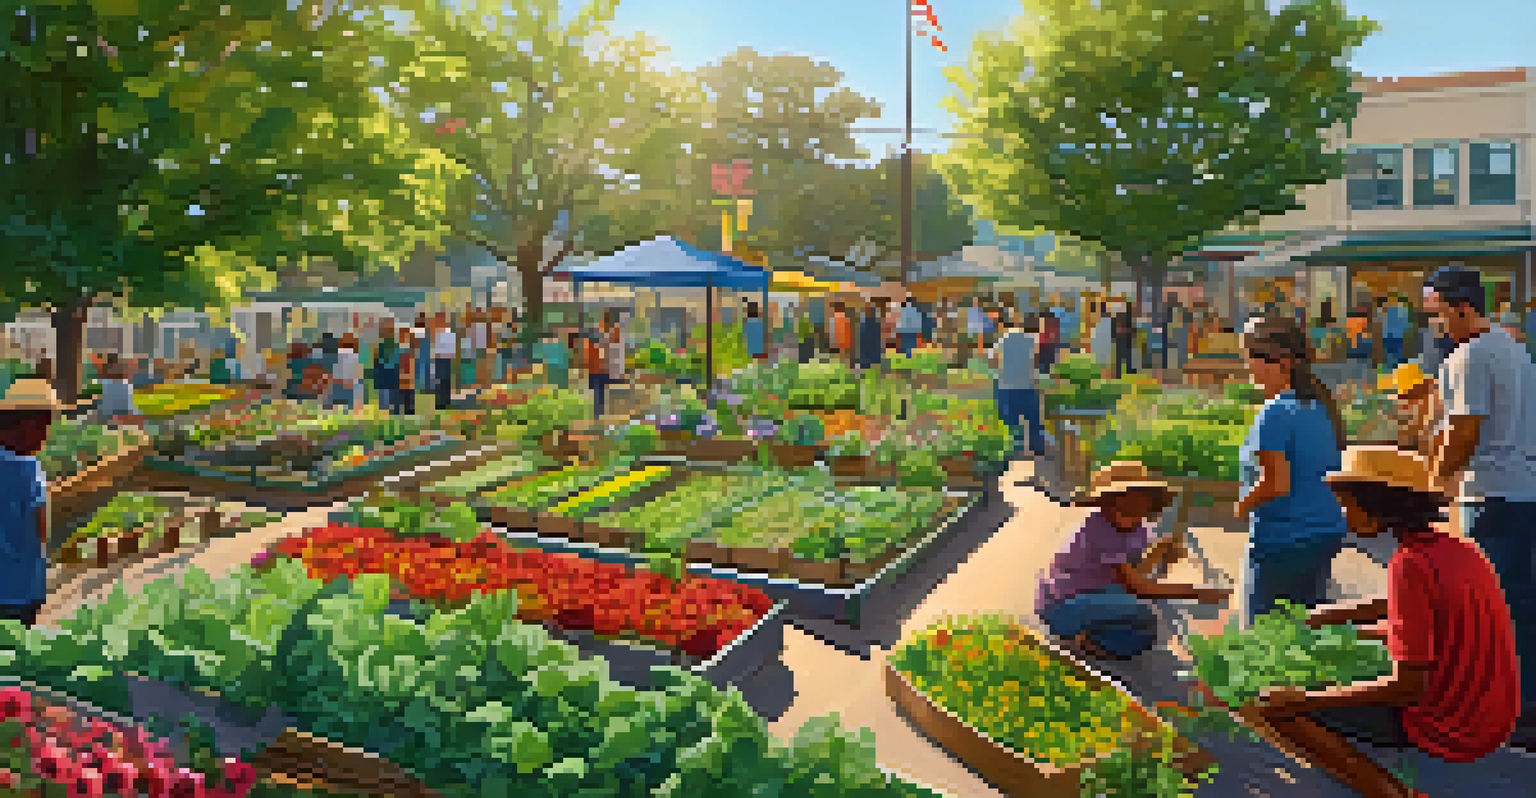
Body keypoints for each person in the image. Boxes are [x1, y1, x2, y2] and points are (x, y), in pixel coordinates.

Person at [1252, 446, 1518, 798]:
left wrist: (1303, 699)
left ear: (1378, 505)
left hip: (1453, 726)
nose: (1344, 517)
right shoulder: (1457, 547)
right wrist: (1335, 616)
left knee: (1268, 706)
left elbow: (1408, 687)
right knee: (1338, 663)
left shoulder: (1408, 564)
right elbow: (1420, 611)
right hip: (1492, 716)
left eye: (1349, 506)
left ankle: (1390, 792)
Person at [1421, 264, 1536, 746]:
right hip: (1521, 491)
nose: (1435, 325)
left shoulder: (1470, 356)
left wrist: (1432, 482)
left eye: (1438, 314)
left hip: (1489, 494)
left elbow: (1465, 432)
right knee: (1519, 606)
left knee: (1490, 610)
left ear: (1462, 307)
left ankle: (1502, 712)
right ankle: (1524, 705)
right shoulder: (1513, 348)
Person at [1036, 462, 1230, 661]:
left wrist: (1164, 557)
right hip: (1062, 606)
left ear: (1148, 504)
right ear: (1105, 503)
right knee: (1143, 610)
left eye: (1137, 505)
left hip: (1097, 595)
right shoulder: (1100, 529)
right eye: (1121, 505)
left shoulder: (1140, 529)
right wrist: (1195, 592)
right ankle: (1074, 634)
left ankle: (1089, 641)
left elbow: (1141, 574)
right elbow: (1137, 586)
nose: (1129, 513)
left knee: (1146, 636)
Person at [1235, 315, 1350, 627]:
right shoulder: (1319, 405)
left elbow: (1276, 483)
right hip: (1323, 532)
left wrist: (1242, 504)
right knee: (1305, 633)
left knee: (1263, 639)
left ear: (1281, 361)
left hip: (1283, 538)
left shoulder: (1274, 412)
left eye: (1251, 359)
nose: (1248, 368)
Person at [0, 379, 63, 627]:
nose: (45, 437)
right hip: (22, 590)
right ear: (24, 425)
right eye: (43, 427)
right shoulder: (28, 468)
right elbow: (40, 530)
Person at [990, 315, 1045, 455]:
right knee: (1033, 419)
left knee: (1010, 420)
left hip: (1007, 385)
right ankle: (1036, 447)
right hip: (1027, 383)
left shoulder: (1003, 339)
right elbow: (1036, 360)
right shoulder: (1031, 340)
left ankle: (1013, 450)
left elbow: (994, 360)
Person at [373, 324, 400, 414]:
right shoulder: (394, 344)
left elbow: (377, 357)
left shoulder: (382, 344)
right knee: (391, 389)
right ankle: (391, 409)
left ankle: (385, 409)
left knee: (386, 389)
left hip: (387, 368)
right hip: (391, 368)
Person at [431, 315, 456, 411]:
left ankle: (442, 402)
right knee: (443, 381)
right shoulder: (442, 333)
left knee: (442, 381)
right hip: (443, 359)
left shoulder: (444, 333)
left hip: (443, 359)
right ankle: (443, 402)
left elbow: (442, 348)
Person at [1380, 296, 1409, 370]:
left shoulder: (1399, 310)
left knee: (1393, 358)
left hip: (1394, 337)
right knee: (1392, 358)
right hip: (1393, 337)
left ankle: (1393, 371)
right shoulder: (1400, 310)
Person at [857, 302, 883, 371]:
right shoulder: (876, 323)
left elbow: (862, 337)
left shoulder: (864, 324)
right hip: (873, 353)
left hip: (867, 353)